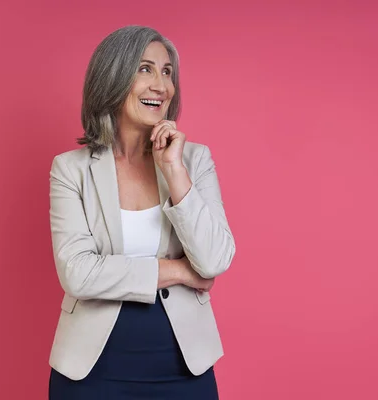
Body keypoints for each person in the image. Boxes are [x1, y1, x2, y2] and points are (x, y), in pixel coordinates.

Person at [47, 25, 236, 399]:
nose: (161, 86)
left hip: (183, 368)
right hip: (91, 372)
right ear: (113, 79)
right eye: (145, 69)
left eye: (167, 72)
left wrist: (174, 171)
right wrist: (179, 270)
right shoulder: (71, 169)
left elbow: (214, 260)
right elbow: (78, 274)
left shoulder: (194, 161)